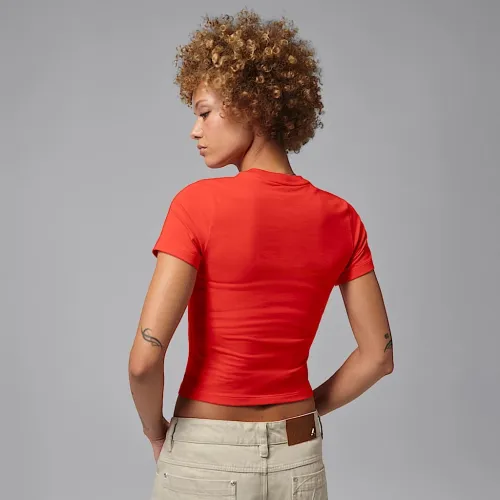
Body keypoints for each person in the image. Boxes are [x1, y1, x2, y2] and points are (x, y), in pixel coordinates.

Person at [128, 8, 394, 499]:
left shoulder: (196, 205)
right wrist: (302, 410)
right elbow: (378, 357)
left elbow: (145, 361)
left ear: (252, 106)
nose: (194, 130)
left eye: (204, 112)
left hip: (206, 453)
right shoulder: (342, 218)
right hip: (299, 452)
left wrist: (154, 432)